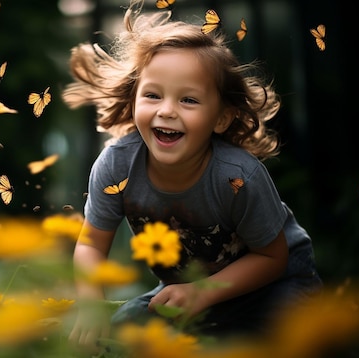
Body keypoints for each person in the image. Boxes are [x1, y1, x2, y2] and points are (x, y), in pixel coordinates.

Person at [62, 1, 322, 351]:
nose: (167, 110)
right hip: (187, 290)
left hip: (274, 286)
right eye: (153, 95)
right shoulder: (116, 166)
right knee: (125, 328)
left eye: (188, 100)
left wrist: (202, 292)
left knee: (292, 343)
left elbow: (272, 259)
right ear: (134, 98)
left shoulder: (238, 177)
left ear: (221, 119)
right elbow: (92, 243)